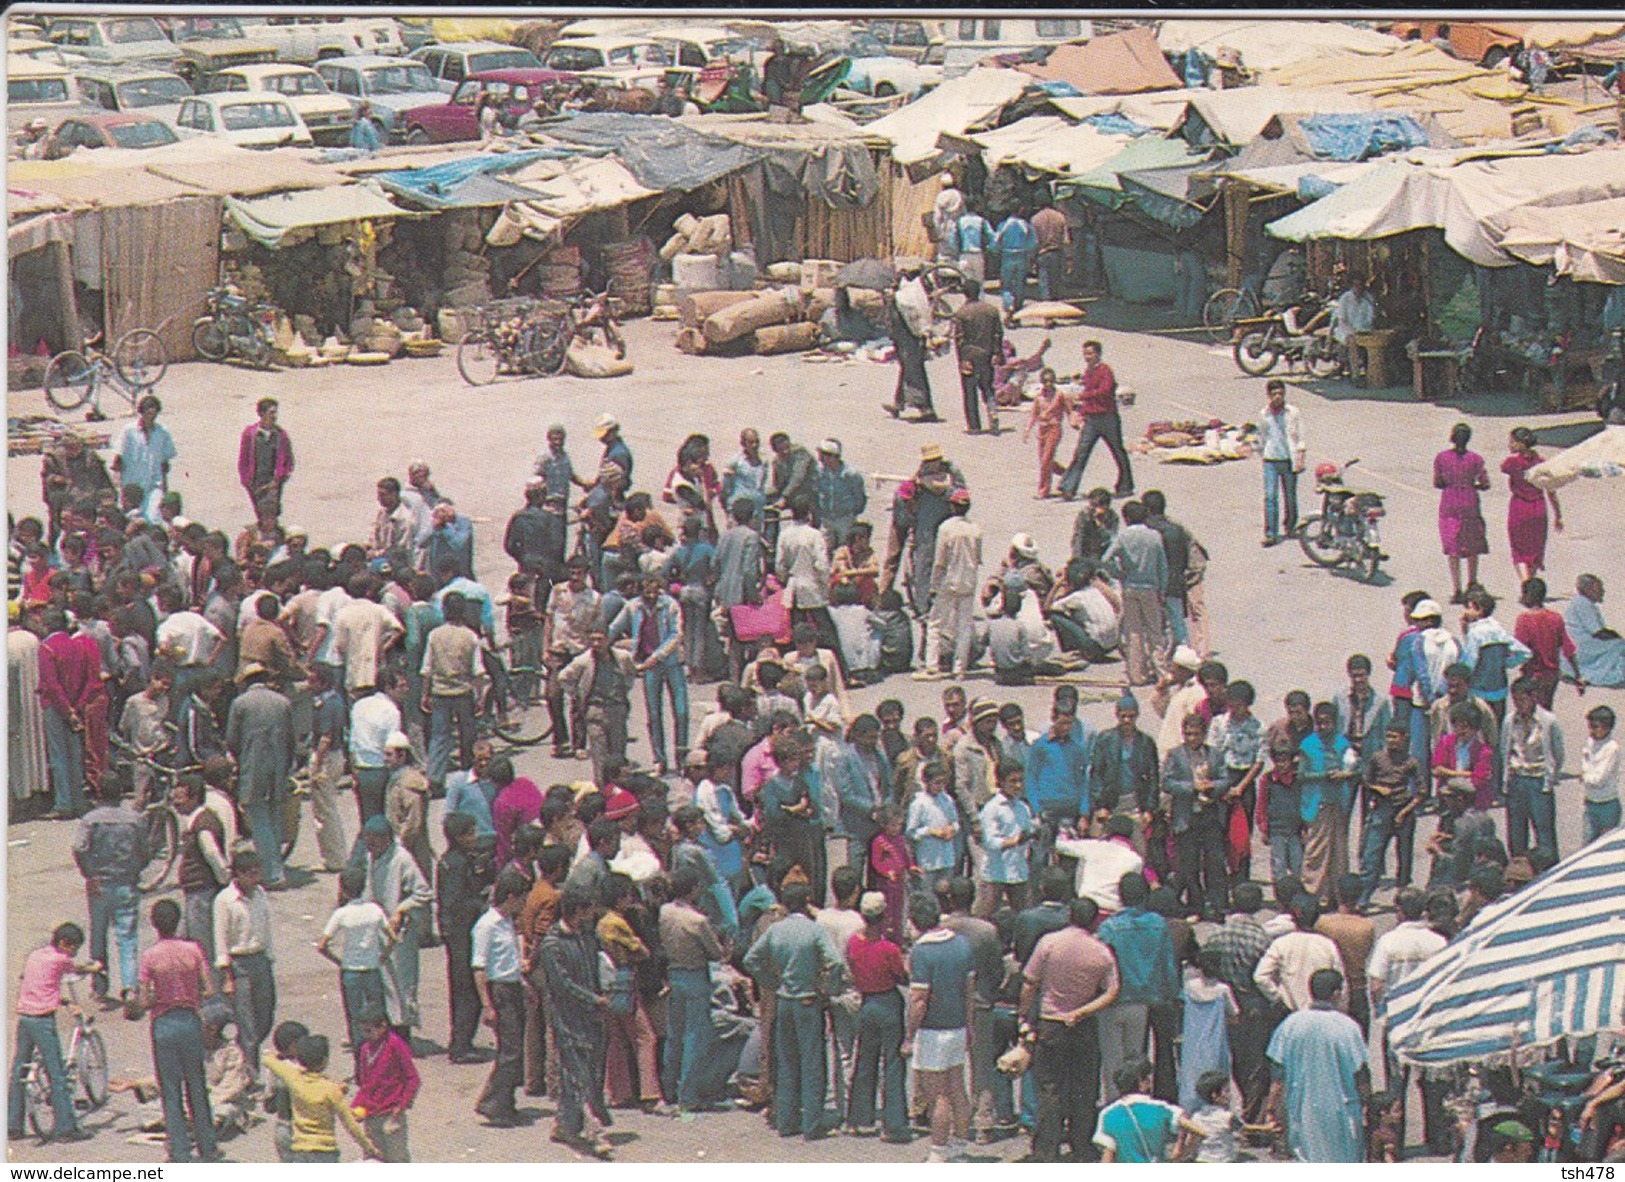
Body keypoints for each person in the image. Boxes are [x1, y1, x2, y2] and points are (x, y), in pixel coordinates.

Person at [1020, 895, 1119, 1161]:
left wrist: (1025, 1017)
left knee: (1049, 1088)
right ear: (1095, 921)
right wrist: (1083, 1010)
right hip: (1083, 1024)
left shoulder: (1049, 943)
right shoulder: (1100, 951)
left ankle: (1046, 1149)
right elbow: (1112, 992)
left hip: (1051, 1022)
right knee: (1084, 1088)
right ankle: (1081, 1145)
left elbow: (1030, 982)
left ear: (1069, 916)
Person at [744, 881, 843, 1141]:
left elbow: (750, 959)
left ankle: (786, 1120)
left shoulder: (776, 931)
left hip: (784, 999)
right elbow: (835, 962)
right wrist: (827, 989)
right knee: (811, 1062)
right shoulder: (814, 931)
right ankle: (812, 1123)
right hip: (808, 1000)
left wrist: (770, 981)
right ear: (807, 902)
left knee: (786, 1061)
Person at [133, 899, 218, 1162]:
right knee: (197, 1084)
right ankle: (208, 1146)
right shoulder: (193, 950)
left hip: (163, 1023)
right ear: (178, 920)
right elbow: (209, 989)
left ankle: (180, 1151)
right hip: (190, 1020)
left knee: (170, 1089)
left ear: (154, 924)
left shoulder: (149, 956)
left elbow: (145, 999)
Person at [1265, 968, 1369, 1162]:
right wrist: (1367, 1105)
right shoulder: (1348, 1027)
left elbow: (1278, 1074)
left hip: (1302, 1110)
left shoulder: (1291, 1024)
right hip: (1342, 1112)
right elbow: (1360, 1072)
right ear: (1336, 994)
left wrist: (1271, 1107)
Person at [8, 922, 99, 1144]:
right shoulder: (61, 959)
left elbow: (41, 983)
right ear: (63, 943)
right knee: (56, 1072)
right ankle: (65, 1128)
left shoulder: (36, 955)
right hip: (42, 1020)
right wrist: (94, 968)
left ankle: (13, 1124)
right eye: (73, 948)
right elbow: (77, 969)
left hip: (25, 1016)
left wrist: (62, 999)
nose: (74, 952)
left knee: (19, 1069)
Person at [902, 891, 976, 1163]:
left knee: (937, 1095)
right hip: (958, 1027)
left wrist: (909, 1034)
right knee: (957, 1086)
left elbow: (919, 1000)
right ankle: (960, 1142)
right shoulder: (963, 945)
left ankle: (939, 1149)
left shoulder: (922, 952)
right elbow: (969, 990)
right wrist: (969, 1025)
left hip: (933, 1031)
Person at [1096, 873, 1179, 1101]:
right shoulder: (1158, 924)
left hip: (1118, 998)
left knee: (1115, 1059)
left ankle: (1117, 1104)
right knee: (1140, 1056)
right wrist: (1172, 993)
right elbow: (1167, 962)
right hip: (1150, 996)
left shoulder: (1110, 927)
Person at [71, 773, 148, 1007]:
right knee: (127, 938)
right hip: (126, 882)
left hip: (99, 884)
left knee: (98, 936)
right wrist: (134, 869)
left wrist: (89, 873)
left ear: (99, 793)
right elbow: (145, 851)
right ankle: (130, 988)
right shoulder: (135, 819)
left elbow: (79, 847)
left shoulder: (91, 820)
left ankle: (100, 987)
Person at [658, 866, 726, 1114]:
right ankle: (688, 1095)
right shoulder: (697, 920)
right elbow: (716, 952)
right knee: (694, 1037)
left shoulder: (665, 912)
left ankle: (669, 1089)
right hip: (695, 975)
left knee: (674, 1035)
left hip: (674, 973)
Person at [225, 665, 294, 889]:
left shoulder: (241, 703)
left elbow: (232, 739)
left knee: (259, 819)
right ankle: (275, 867)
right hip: (278, 766)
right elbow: (291, 739)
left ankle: (273, 873)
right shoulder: (282, 702)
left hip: (253, 765)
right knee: (273, 817)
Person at [472, 868, 530, 1128]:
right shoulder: (487, 925)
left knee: (515, 1049)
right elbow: (479, 968)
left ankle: (505, 1102)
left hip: (513, 986)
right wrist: (487, 1004)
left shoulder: (507, 922)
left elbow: (511, 959)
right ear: (510, 896)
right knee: (510, 1050)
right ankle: (492, 1102)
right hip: (500, 991)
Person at [317, 867, 395, 1056]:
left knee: (355, 1017)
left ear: (343, 889)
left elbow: (322, 946)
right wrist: (383, 955)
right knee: (377, 1014)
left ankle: (360, 1058)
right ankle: (383, 1053)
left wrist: (339, 961)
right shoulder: (375, 910)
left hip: (350, 970)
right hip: (372, 968)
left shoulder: (342, 914)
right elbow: (392, 937)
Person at [263, 1034, 379, 1162]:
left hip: (299, 1150)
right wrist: (368, 1147)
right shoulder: (331, 1089)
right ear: (324, 1061)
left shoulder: (293, 1077)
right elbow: (350, 1124)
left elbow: (267, 1060)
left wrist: (276, 1054)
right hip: (325, 1151)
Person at [213, 850, 277, 1074]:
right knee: (247, 1022)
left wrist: (269, 957)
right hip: (239, 964)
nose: (255, 879)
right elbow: (220, 939)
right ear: (238, 875)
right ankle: (251, 1073)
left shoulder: (260, 894)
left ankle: (240, 1053)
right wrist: (227, 977)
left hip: (261, 960)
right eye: (250, 874)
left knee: (265, 1016)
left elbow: (266, 928)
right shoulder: (225, 900)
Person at [1057, 340, 1134, 501]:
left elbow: (1104, 390)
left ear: (1098, 354)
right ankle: (1068, 487)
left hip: (1108, 417)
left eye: (1090, 353)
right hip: (1091, 419)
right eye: (1085, 354)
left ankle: (1125, 484)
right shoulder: (1088, 372)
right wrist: (1080, 412)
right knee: (1081, 453)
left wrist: (1082, 396)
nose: (1087, 357)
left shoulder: (1105, 370)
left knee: (1117, 451)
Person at [1102, 501, 1168, 687]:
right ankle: (1161, 671)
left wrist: (1118, 573)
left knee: (1134, 632)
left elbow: (1105, 559)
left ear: (1126, 518)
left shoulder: (1123, 536)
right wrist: (1162, 590)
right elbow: (1162, 565)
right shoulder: (1154, 536)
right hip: (1150, 588)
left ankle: (1136, 674)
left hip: (1130, 587)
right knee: (1155, 632)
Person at [1499, 676, 1565, 862]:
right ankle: (1520, 872)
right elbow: (1505, 749)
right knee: (1516, 831)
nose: (1519, 705)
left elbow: (1558, 754)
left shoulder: (1548, 721)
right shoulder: (1510, 721)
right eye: (1516, 700)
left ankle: (1549, 869)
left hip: (1538, 781)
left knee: (1544, 832)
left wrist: (1551, 776)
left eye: (1522, 700)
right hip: (1517, 779)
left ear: (1533, 697)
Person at [1358, 721, 1423, 907]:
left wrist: (1405, 812)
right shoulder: (1377, 758)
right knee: (1372, 855)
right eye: (1388, 736)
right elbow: (1366, 781)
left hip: (1403, 809)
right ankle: (1363, 897)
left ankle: (1403, 900)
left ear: (1404, 738)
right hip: (1381, 809)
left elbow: (1422, 792)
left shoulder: (1411, 762)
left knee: (1404, 857)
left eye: (1395, 737)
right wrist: (1379, 789)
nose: (1391, 741)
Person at [921, 489, 981, 679]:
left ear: (953, 506)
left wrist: (933, 587)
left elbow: (940, 561)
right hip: (969, 581)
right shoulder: (976, 529)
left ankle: (932, 665)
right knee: (964, 626)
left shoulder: (946, 528)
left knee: (936, 622)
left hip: (949, 580)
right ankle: (959, 668)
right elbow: (978, 558)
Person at [1093, 1059, 1197, 1162]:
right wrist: (1180, 1150)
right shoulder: (1162, 1108)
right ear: (1143, 1083)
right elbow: (1195, 1129)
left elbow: (1108, 1156)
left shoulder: (1108, 1114)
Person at [350, 1008, 418, 1162]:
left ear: (383, 1026)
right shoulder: (365, 1049)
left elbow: (412, 1078)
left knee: (397, 1158)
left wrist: (401, 1106)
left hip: (391, 1113)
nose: (365, 1035)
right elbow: (365, 1084)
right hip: (371, 1113)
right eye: (363, 1031)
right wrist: (355, 1106)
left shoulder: (395, 1045)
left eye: (369, 1031)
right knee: (374, 1157)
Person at [1433, 423, 1491, 604]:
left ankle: (1456, 588)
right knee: (1472, 544)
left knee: (1452, 546)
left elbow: (1438, 482)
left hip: (1450, 502)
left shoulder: (1442, 458)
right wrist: (1473, 485)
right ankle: (1472, 582)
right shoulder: (1476, 459)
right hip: (1469, 501)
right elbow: (1485, 483)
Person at [1178, 948, 1239, 1114]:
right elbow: (1234, 1015)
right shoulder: (1223, 990)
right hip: (1215, 1043)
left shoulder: (1189, 987)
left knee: (1190, 1079)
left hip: (1193, 1042)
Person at [1503, 427, 1563, 583]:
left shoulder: (1511, 463)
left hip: (1519, 507)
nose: (1510, 444)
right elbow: (1551, 492)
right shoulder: (1541, 463)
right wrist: (1558, 515)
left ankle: (1525, 583)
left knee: (1519, 549)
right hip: (1538, 507)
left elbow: (1504, 468)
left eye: (1512, 441)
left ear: (1521, 444)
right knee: (1536, 548)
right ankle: (1532, 583)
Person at [1515, 577, 1584, 709]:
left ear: (1528, 596)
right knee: (1546, 709)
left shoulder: (1523, 620)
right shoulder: (1555, 617)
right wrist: (1578, 675)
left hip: (1532, 674)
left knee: (1531, 712)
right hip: (1551, 676)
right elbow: (1568, 649)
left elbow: (1520, 649)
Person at [951, 279, 1004, 434]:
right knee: (988, 387)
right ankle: (993, 411)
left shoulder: (961, 313)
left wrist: (962, 359)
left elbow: (960, 339)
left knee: (969, 391)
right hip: (987, 354)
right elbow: (998, 334)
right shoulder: (991, 310)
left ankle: (974, 426)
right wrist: (997, 352)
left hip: (969, 355)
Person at [111, 395, 176, 521]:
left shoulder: (162, 432)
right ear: (142, 412)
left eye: (154, 414)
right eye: (148, 413)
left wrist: (165, 486)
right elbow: (119, 456)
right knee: (131, 518)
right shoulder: (129, 431)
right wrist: (117, 479)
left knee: (153, 517)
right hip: (131, 485)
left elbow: (164, 463)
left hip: (153, 484)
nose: (150, 417)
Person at [1258, 378, 1306, 547]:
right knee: (1270, 496)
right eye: (1274, 394)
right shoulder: (1264, 414)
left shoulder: (1292, 413)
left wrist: (1301, 458)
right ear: (1268, 395)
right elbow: (1262, 436)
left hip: (1288, 459)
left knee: (1290, 496)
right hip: (1270, 459)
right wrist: (1259, 452)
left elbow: (1300, 437)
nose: (1277, 397)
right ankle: (1270, 533)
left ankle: (1290, 526)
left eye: (1280, 393)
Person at [885, 270, 938, 422]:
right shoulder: (909, 294)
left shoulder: (903, 299)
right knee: (907, 370)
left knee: (914, 372)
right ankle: (898, 404)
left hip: (909, 340)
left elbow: (912, 319)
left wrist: (921, 333)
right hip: (905, 341)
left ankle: (926, 410)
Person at [1566, 574, 1625, 688]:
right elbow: (1598, 631)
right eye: (1600, 588)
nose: (1603, 591)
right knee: (1619, 645)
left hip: (1580, 642)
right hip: (1582, 645)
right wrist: (1618, 638)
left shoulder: (1581, 602)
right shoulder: (1583, 603)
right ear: (1589, 589)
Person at [237, 398, 294, 516]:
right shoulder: (250, 434)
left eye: (275, 412)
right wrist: (245, 479)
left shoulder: (280, 434)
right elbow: (243, 458)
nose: (275, 416)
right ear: (262, 414)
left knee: (272, 512)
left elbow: (288, 458)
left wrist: (283, 475)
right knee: (260, 512)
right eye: (271, 412)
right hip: (255, 481)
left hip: (274, 482)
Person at [1023, 368, 1068, 500]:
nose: (1048, 384)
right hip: (1042, 430)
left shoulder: (1060, 395)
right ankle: (1067, 474)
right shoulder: (1038, 397)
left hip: (1054, 428)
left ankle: (1043, 490)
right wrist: (1027, 430)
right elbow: (1034, 415)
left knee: (1046, 459)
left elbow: (1069, 410)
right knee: (1045, 461)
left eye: (1050, 381)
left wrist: (1075, 420)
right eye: (1045, 381)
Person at [1580, 705, 1621, 842]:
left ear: (1607, 727)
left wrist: (1585, 777)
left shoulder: (1611, 748)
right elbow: (1585, 763)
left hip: (1607, 805)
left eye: (1596, 727)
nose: (1591, 730)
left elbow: (1599, 779)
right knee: (1587, 845)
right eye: (1590, 726)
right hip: (1591, 802)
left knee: (1604, 845)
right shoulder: (1590, 742)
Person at [1330, 276, 1376, 381]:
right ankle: (1356, 375)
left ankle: (1372, 373)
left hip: (1364, 329)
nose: (1358, 288)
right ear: (1352, 286)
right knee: (1352, 342)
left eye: (1361, 285)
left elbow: (1371, 318)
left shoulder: (1368, 298)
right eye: (1356, 285)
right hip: (1345, 330)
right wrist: (1352, 331)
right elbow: (1342, 320)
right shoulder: (1345, 299)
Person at [993, 208, 1036, 320]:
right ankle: (1018, 307)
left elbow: (995, 243)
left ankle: (1009, 306)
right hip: (1021, 256)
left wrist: (998, 251)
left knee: (1006, 285)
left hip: (1007, 256)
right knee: (1020, 284)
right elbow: (1033, 243)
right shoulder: (1025, 225)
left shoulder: (1003, 225)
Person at [1031, 201, 1071, 302]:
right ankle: (1055, 305)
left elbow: (1034, 242)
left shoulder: (1035, 219)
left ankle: (1046, 308)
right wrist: (1069, 258)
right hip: (1057, 252)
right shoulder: (1060, 217)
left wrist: (1032, 258)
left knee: (1044, 283)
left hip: (1042, 253)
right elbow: (1066, 240)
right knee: (1056, 283)